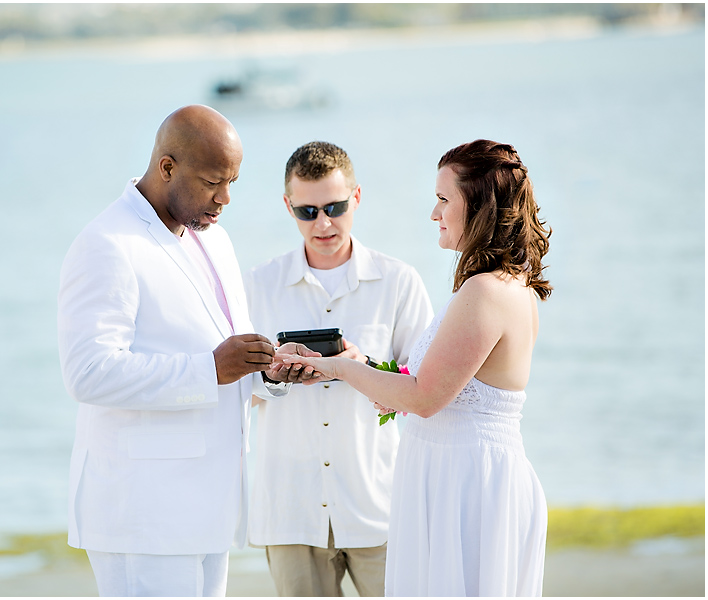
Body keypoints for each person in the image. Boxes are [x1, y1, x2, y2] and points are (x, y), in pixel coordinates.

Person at [57, 105, 316, 597]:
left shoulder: (210, 235)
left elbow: (225, 349)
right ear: (168, 167)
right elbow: (87, 373)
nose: (225, 198)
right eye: (213, 181)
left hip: (208, 506)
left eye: (233, 181)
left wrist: (270, 372)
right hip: (143, 514)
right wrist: (208, 370)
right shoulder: (107, 244)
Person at [276, 139, 552, 596]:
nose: (434, 212)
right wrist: (365, 371)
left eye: (444, 199)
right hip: (458, 477)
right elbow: (429, 388)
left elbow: (424, 398)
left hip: (468, 490)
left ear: (479, 206)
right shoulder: (498, 284)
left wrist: (337, 369)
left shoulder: (486, 291)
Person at [244, 141, 434, 597]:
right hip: (289, 509)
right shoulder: (255, 285)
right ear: (287, 206)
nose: (323, 223)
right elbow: (234, 387)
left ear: (357, 197)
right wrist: (273, 379)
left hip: (380, 504)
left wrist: (362, 366)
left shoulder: (399, 281)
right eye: (307, 211)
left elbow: (427, 387)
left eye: (335, 207)